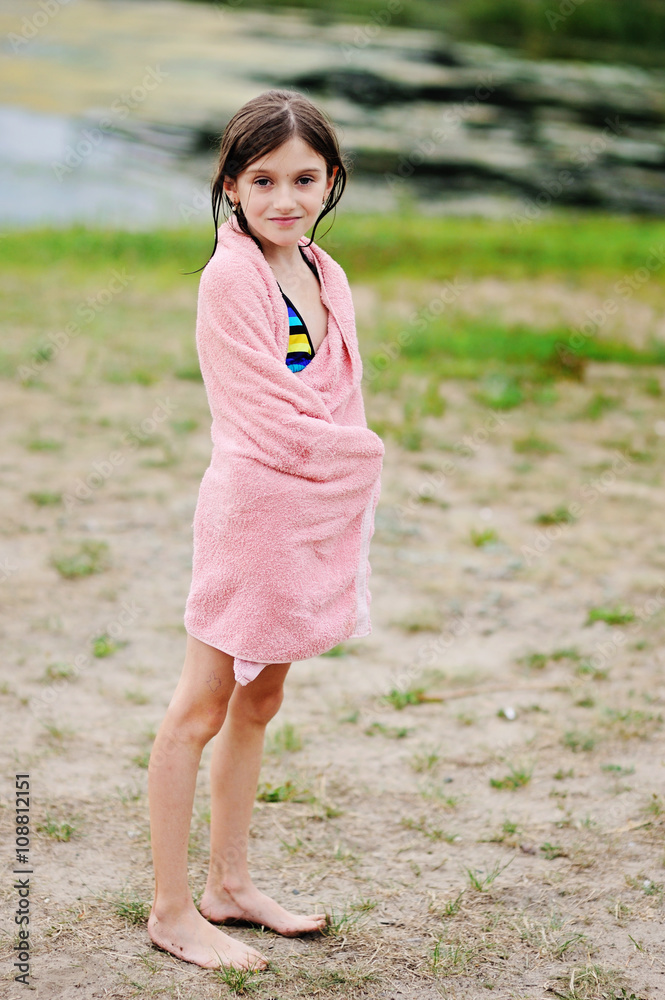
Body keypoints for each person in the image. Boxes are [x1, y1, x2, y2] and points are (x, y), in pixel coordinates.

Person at [147, 89, 384, 972]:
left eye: (304, 179)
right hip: (251, 514)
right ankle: (172, 909)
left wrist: (342, 472)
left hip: (306, 513)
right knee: (200, 707)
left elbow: (338, 398)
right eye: (263, 180)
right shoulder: (228, 279)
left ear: (331, 180)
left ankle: (230, 885)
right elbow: (263, 415)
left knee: (261, 700)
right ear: (231, 186)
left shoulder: (326, 274)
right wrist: (358, 457)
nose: (286, 199)